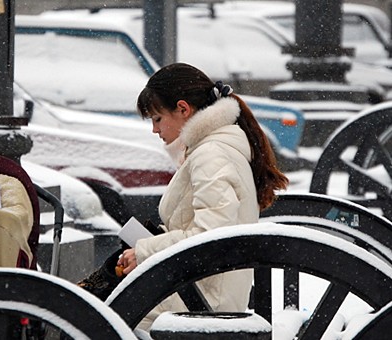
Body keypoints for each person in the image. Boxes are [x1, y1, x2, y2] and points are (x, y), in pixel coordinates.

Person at [117, 62, 289, 331]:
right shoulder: (213, 148)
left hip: (202, 299)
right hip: (199, 288)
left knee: (102, 318)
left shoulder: (212, 154)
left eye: (157, 118)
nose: (154, 129)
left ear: (183, 109)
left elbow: (209, 237)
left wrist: (144, 251)